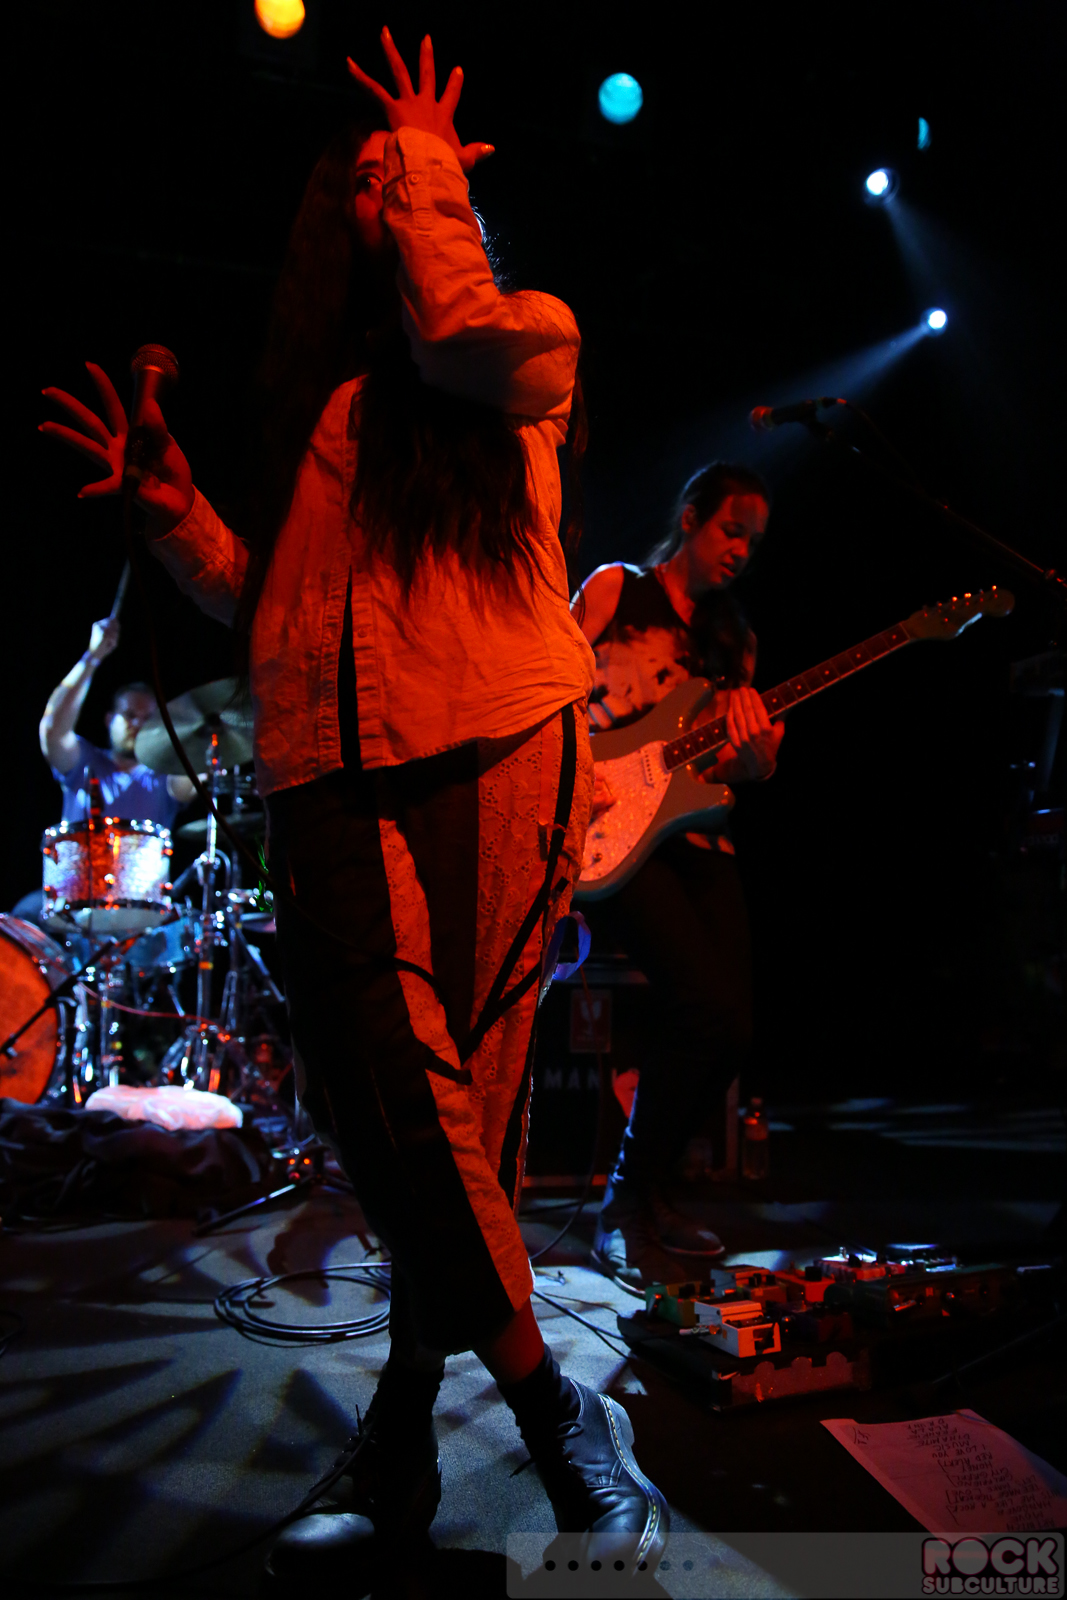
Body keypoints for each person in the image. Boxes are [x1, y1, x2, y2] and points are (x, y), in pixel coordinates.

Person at [40, 28, 668, 1586]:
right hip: (324, 764)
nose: (388, 188)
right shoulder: (320, 416)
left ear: (448, 199)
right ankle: (549, 1412)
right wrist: (176, 516)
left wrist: (429, 173)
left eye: (411, 174)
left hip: (494, 737)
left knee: (458, 1113)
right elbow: (279, 608)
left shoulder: (520, 344)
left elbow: (453, 320)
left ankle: (401, 1442)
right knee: (385, 1109)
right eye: (367, 178)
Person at [574, 462, 784, 1286]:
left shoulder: (733, 640)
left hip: (693, 835)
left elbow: (730, 769)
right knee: (699, 1002)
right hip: (608, 830)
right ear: (690, 517)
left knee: (732, 1028)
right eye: (732, 530)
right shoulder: (614, 590)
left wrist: (754, 760)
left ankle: (644, 1190)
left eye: (753, 542)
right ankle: (628, 1204)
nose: (741, 551)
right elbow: (545, 685)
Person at [38, 615, 195, 826]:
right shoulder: (84, 762)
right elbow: (52, 729)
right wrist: (93, 656)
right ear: (109, 720)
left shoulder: (164, 776)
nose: (138, 724)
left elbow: (193, 774)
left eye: (147, 719)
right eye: (130, 715)